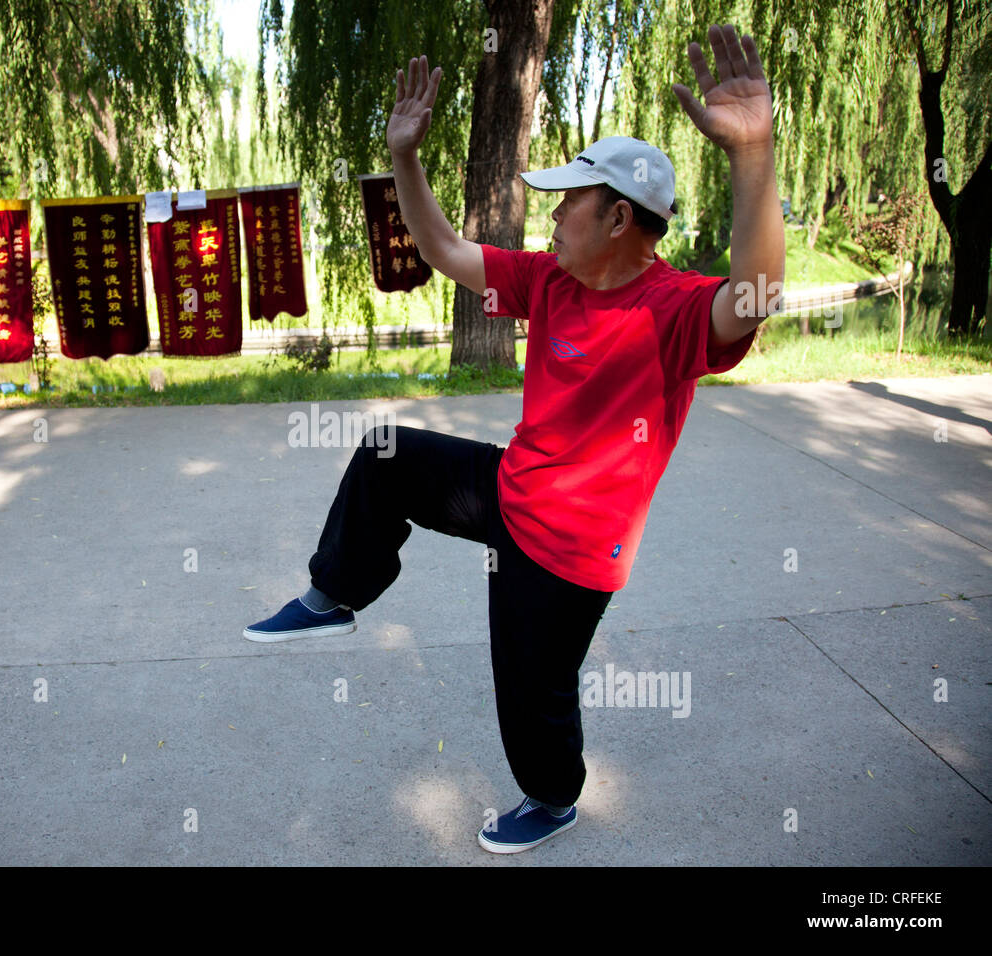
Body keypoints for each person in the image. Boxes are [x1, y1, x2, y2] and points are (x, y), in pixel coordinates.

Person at [244, 23, 784, 854]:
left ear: (619, 219)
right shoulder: (549, 279)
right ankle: (334, 595)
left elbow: (753, 297)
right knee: (387, 455)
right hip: (508, 489)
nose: (554, 212)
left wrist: (752, 154)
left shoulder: (673, 311)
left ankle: (553, 797)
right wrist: (406, 160)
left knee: (531, 695)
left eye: (571, 200)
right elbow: (441, 248)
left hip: (571, 551)